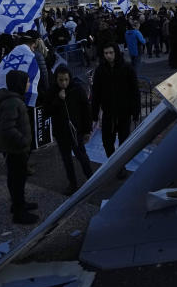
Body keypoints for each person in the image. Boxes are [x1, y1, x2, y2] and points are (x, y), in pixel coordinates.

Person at [0, 70, 38, 225]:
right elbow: (7, 127)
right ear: (19, 84)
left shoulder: (14, 100)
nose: (28, 84)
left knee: (18, 178)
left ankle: (19, 204)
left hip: (15, 147)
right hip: (14, 148)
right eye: (26, 82)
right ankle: (19, 212)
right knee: (17, 180)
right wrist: (23, 141)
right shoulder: (13, 102)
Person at [91, 44, 140, 178]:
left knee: (124, 142)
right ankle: (115, 165)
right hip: (108, 113)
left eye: (111, 52)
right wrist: (94, 114)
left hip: (124, 112)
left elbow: (135, 91)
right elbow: (96, 93)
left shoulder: (127, 68)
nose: (108, 55)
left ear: (116, 53)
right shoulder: (100, 70)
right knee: (107, 142)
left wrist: (135, 112)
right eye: (106, 53)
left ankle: (120, 166)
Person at [43, 65, 93, 195]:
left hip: (77, 130)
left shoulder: (77, 89)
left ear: (70, 78)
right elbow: (47, 111)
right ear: (56, 79)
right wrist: (58, 100)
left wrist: (88, 130)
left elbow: (86, 110)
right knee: (66, 159)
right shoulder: (52, 91)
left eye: (66, 79)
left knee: (81, 155)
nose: (64, 83)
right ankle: (72, 183)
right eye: (61, 80)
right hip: (61, 132)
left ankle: (92, 179)